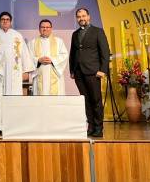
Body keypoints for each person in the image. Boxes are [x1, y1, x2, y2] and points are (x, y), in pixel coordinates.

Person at [69, 8, 110, 137]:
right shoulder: (75, 34)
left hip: (93, 72)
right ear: (77, 19)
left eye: (84, 16)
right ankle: (91, 126)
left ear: (89, 16)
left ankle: (99, 128)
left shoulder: (98, 31)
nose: (81, 18)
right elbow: (73, 53)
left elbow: (105, 52)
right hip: (79, 72)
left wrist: (102, 70)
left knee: (96, 100)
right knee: (85, 101)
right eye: (79, 16)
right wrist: (72, 70)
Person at [0, 11, 34, 95]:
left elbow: (24, 53)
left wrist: (26, 70)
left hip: (14, 71)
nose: (5, 21)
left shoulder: (17, 35)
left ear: (10, 22)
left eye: (7, 19)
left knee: (14, 92)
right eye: (3, 19)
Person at [28, 19, 69, 95]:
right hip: (39, 73)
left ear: (51, 28)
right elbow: (28, 58)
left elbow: (64, 55)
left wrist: (52, 60)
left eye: (47, 27)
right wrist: (38, 60)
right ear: (39, 29)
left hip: (54, 74)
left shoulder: (59, 41)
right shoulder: (32, 43)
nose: (45, 29)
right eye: (43, 27)